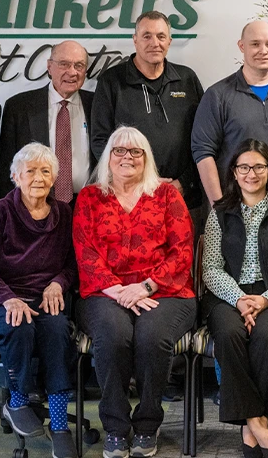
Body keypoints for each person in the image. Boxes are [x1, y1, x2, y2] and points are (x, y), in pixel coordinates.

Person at [74, 126, 196, 458]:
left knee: (152, 336)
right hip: (105, 292)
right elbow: (85, 252)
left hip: (165, 290)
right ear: (108, 156)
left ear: (146, 158)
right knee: (113, 335)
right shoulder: (89, 197)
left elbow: (182, 252)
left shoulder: (167, 195)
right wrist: (120, 291)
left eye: (135, 151)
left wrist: (145, 287)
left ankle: (147, 424)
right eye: (119, 150)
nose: (127, 157)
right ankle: (115, 428)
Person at [0, 143, 77, 458]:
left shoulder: (64, 214)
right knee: (19, 323)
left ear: (54, 178)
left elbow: (73, 265)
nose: (38, 177)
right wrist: (7, 298)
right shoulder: (0, 211)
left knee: (58, 329)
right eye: (30, 171)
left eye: (45, 171)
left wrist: (58, 283)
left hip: (37, 298)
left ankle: (59, 424)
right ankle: (18, 401)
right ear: (15, 177)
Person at [202, 138, 268, 458]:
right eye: (244, 167)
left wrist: (264, 300)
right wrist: (239, 299)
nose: (251, 173)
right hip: (227, 295)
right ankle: (258, 423)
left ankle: (251, 426)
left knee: (266, 335)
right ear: (234, 172)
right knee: (229, 334)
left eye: (259, 167)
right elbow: (210, 269)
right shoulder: (220, 214)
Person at [90, 11, 205, 225]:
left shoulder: (187, 79)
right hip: (130, 202)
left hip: (184, 198)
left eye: (161, 36)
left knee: (184, 249)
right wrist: (138, 182)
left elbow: (204, 140)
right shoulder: (111, 81)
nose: (155, 43)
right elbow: (100, 142)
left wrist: (184, 182)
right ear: (135, 40)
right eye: (146, 36)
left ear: (169, 41)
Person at [192, 20, 268, 213]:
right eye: (255, 44)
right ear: (242, 46)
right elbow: (203, 152)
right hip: (235, 209)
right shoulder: (218, 95)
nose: (263, 51)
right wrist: (219, 206)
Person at [0, 40, 94, 201]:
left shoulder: (98, 104)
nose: (72, 72)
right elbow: (6, 168)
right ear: (49, 67)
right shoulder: (19, 107)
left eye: (79, 65)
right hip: (34, 204)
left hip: (88, 205)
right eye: (64, 64)